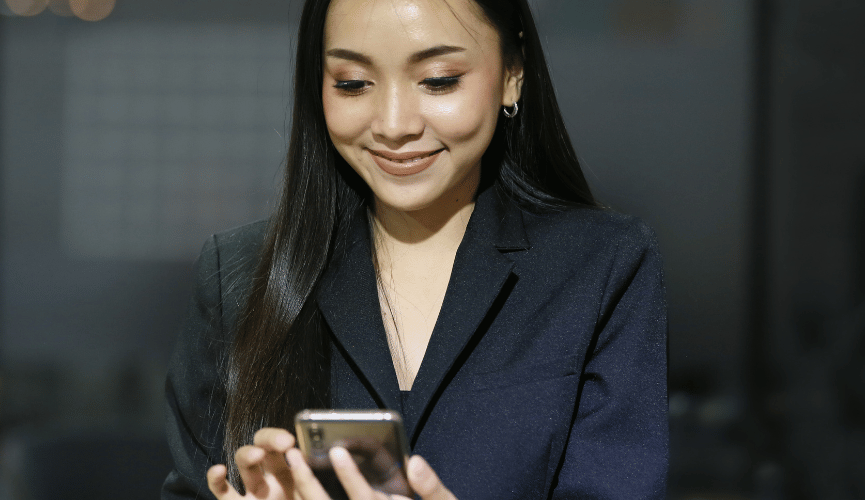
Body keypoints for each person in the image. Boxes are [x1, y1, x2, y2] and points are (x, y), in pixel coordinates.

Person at [163, 0, 668, 498]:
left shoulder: (601, 266)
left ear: (513, 72)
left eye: (439, 80)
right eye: (353, 84)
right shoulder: (241, 274)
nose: (394, 124)